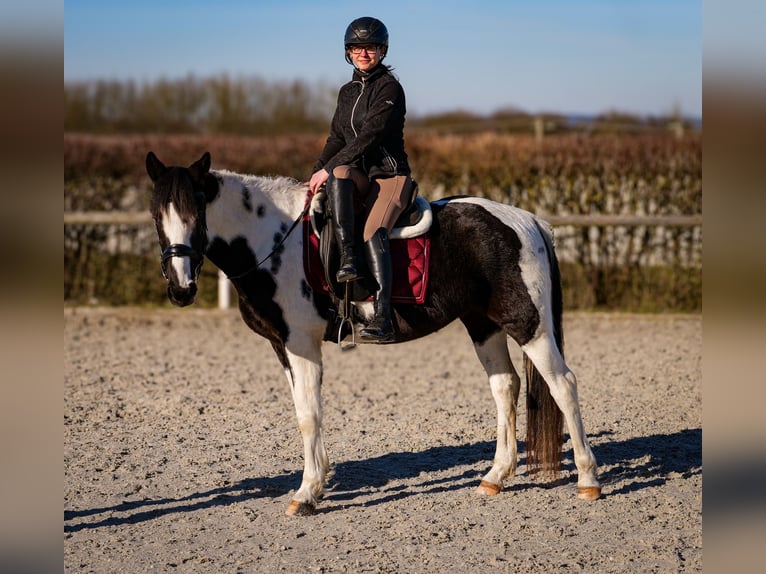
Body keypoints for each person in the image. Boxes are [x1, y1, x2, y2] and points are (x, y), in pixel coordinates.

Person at [308, 16, 414, 343]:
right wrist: (314, 173)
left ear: (382, 50)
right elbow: (337, 140)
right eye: (356, 47)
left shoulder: (390, 88)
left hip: (391, 177)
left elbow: (369, 137)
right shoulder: (346, 92)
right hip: (361, 177)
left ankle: (384, 318)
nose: (362, 53)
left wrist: (331, 168)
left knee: (371, 230)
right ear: (348, 52)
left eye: (369, 47)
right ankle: (348, 266)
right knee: (338, 174)